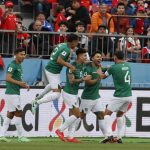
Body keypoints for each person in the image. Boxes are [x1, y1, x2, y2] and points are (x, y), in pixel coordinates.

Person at [31, 33, 79, 114]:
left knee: (53, 85)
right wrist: (70, 66)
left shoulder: (62, 45)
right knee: (57, 94)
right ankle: (37, 102)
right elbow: (59, 60)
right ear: (73, 41)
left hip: (52, 68)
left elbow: (55, 53)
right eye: (77, 41)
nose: (78, 43)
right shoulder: (66, 50)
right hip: (52, 71)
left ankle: (38, 97)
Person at [55, 48, 90, 143]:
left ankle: (70, 136)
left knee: (73, 115)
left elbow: (92, 63)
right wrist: (83, 79)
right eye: (84, 55)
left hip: (74, 93)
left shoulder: (83, 65)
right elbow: (71, 81)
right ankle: (60, 130)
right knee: (77, 114)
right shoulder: (72, 66)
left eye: (86, 55)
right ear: (79, 56)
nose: (86, 57)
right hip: (68, 92)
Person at [99, 51, 132, 143]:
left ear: (115, 57)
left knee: (106, 114)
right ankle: (119, 137)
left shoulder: (113, 68)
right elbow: (115, 68)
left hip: (119, 95)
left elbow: (102, 76)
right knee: (120, 115)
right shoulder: (128, 65)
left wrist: (98, 69)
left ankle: (109, 135)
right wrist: (107, 68)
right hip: (129, 95)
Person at [0, 48, 30, 142]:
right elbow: (8, 78)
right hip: (12, 93)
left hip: (14, 92)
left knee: (11, 114)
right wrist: (19, 83)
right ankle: (20, 137)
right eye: (21, 54)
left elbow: (17, 80)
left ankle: (1, 135)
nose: (23, 56)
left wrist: (23, 85)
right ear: (16, 55)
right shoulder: (12, 65)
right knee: (19, 113)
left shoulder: (19, 65)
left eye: (24, 54)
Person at [79, 51, 108, 142]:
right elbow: (88, 82)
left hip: (96, 97)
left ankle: (107, 136)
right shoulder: (88, 69)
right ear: (92, 58)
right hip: (87, 97)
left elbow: (105, 74)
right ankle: (67, 133)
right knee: (80, 116)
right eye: (97, 57)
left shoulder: (100, 67)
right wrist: (99, 77)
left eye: (100, 57)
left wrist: (109, 69)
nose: (100, 58)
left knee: (101, 115)